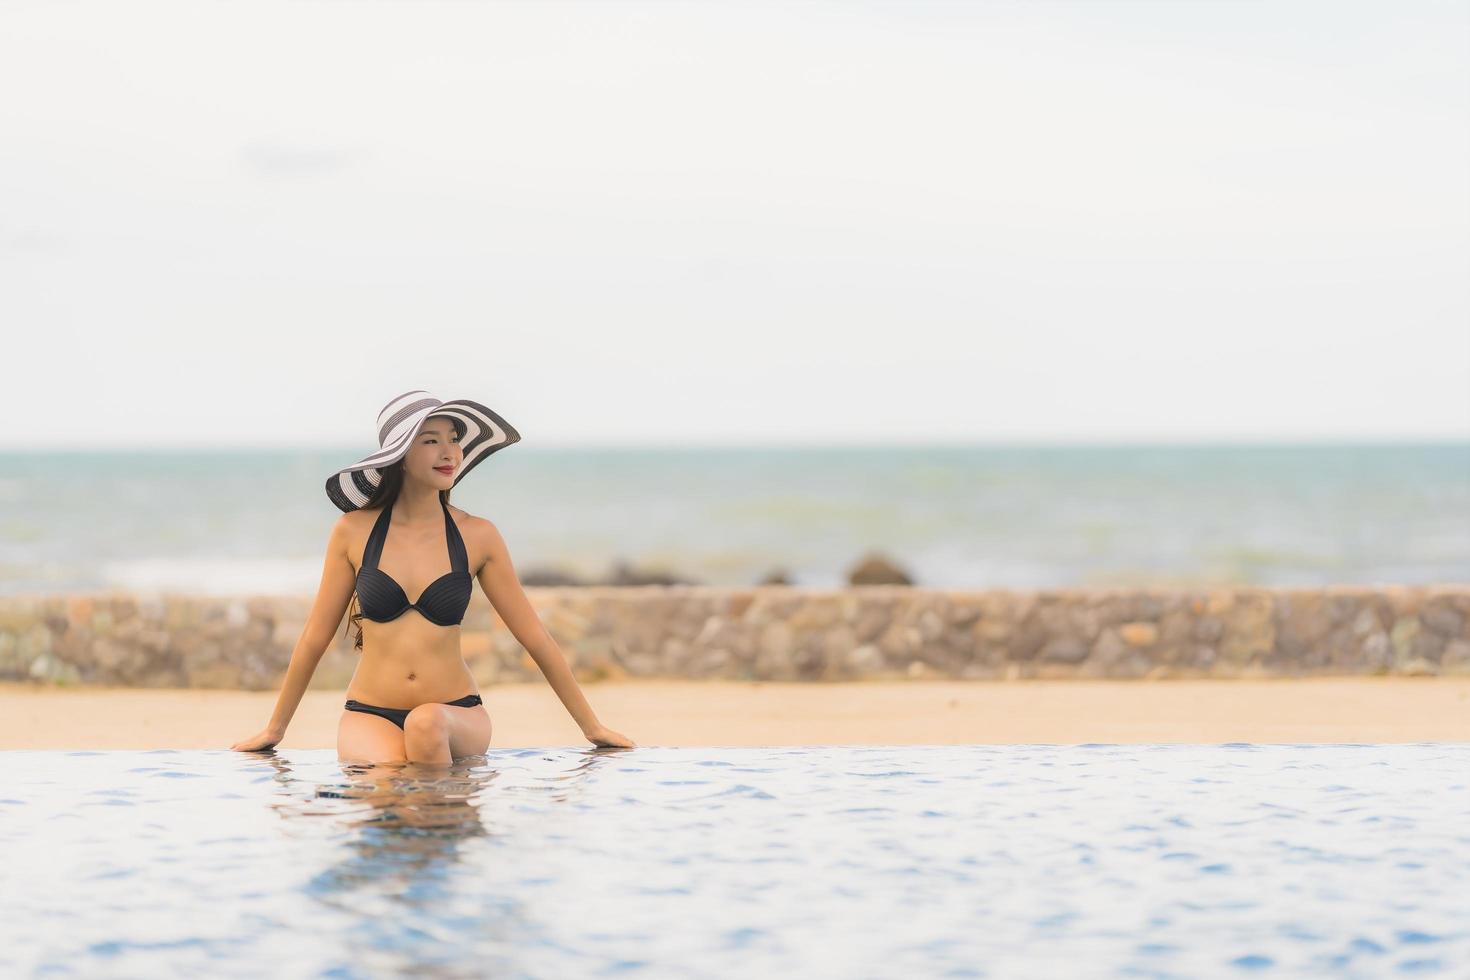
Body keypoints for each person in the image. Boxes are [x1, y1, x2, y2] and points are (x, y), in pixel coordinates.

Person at [230, 390, 636, 763]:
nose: (449, 452)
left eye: (453, 438)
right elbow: (314, 637)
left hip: (456, 713)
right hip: (370, 713)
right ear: (401, 456)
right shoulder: (352, 532)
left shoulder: (478, 536)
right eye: (430, 441)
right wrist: (274, 729)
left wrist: (592, 727)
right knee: (389, 777)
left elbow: (534, 636)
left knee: (425, 725)